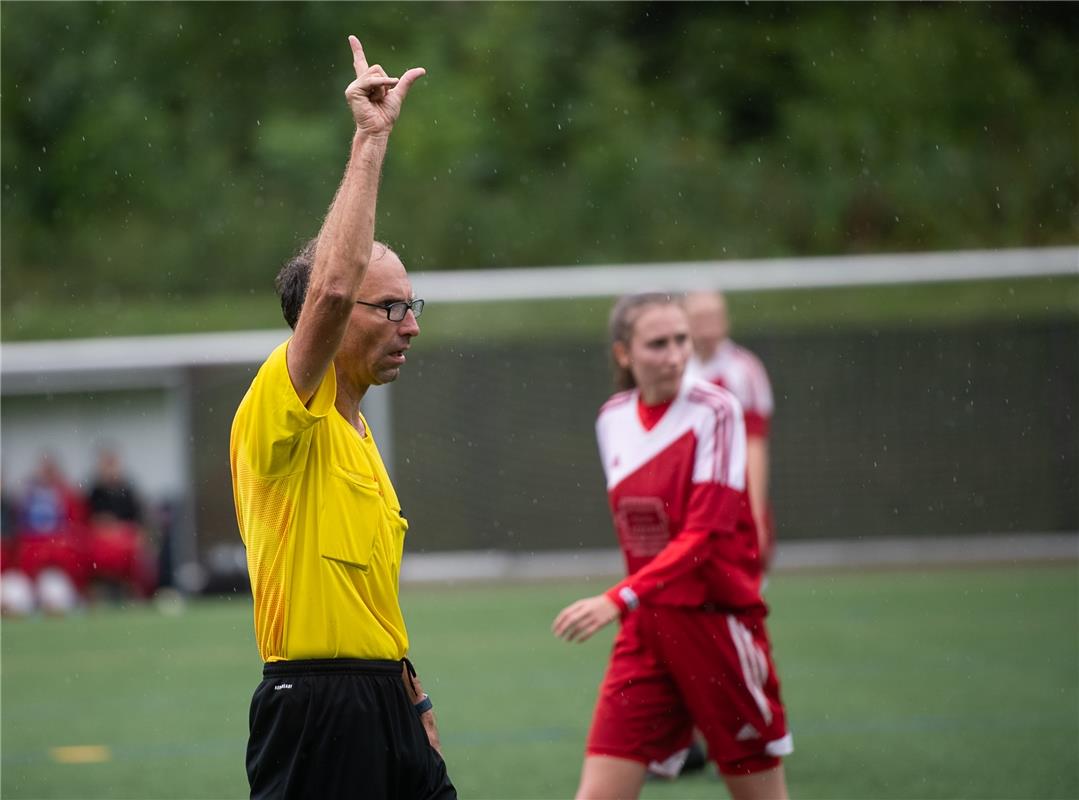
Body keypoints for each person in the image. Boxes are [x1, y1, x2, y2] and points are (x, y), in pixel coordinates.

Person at [229, 35, 454, 800]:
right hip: (317, 708)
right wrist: (369, 139)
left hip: (386, 703)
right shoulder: (282, 411)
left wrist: (412, 698)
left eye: (412, 306)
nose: (410, 324)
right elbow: (330, 289)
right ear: (320, 327)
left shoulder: (360, 440)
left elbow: (374, 607)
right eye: (390, 307)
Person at [552, 293, 792, 800]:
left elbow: (704, 537)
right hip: (647, 629)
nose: (675, 354)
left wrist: (616, 598)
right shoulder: (612, 418)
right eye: (657, 343)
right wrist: (633, 601)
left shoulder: (717, 410)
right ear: (624, 354)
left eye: (681, 340)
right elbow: (639, 539)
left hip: (716, 626)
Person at [685, 291, 777, 572]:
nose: (708, 326)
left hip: (731, 504)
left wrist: (756, 510)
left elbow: (755, 443)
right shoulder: (673, 369)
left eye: (714, 317)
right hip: (687, 504)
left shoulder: (743, 369)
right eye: (700, 318)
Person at [86, 448, 156, 599]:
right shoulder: (95, 492)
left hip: (126, 540)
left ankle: (135, 591)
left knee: (140, 552)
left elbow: (139, 522)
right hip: (103, 543)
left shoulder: (128, 490)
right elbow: (95, 522)